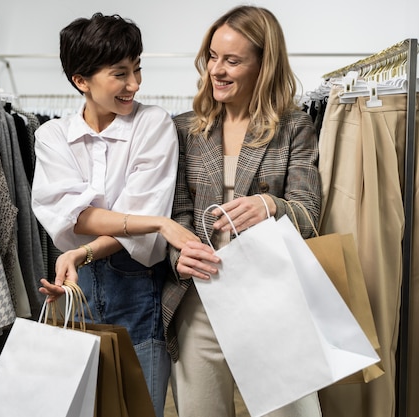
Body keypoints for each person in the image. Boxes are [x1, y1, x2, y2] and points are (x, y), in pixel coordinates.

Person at [30, 13, 198, 417]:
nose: (135, 84)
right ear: (81, 81)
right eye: (120, 73)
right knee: (77, 408)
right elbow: (73, 218)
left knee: (141, 409)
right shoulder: (51, 136)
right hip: (75, 291)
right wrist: (155, 223)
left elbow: (115, 217)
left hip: (137, 288)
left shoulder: (153, 123)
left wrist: (82, 249)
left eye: (137, 69)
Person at [162, 5, 323, 417]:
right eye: (213, 57)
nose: (217, 69)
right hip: (198, 303)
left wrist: (271, 204)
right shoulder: (184, 129)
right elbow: (177, 213)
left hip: (272, 300)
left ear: (263, 65)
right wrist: (180, 256)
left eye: (232, 60)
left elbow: (309, 215)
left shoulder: (294, 126)